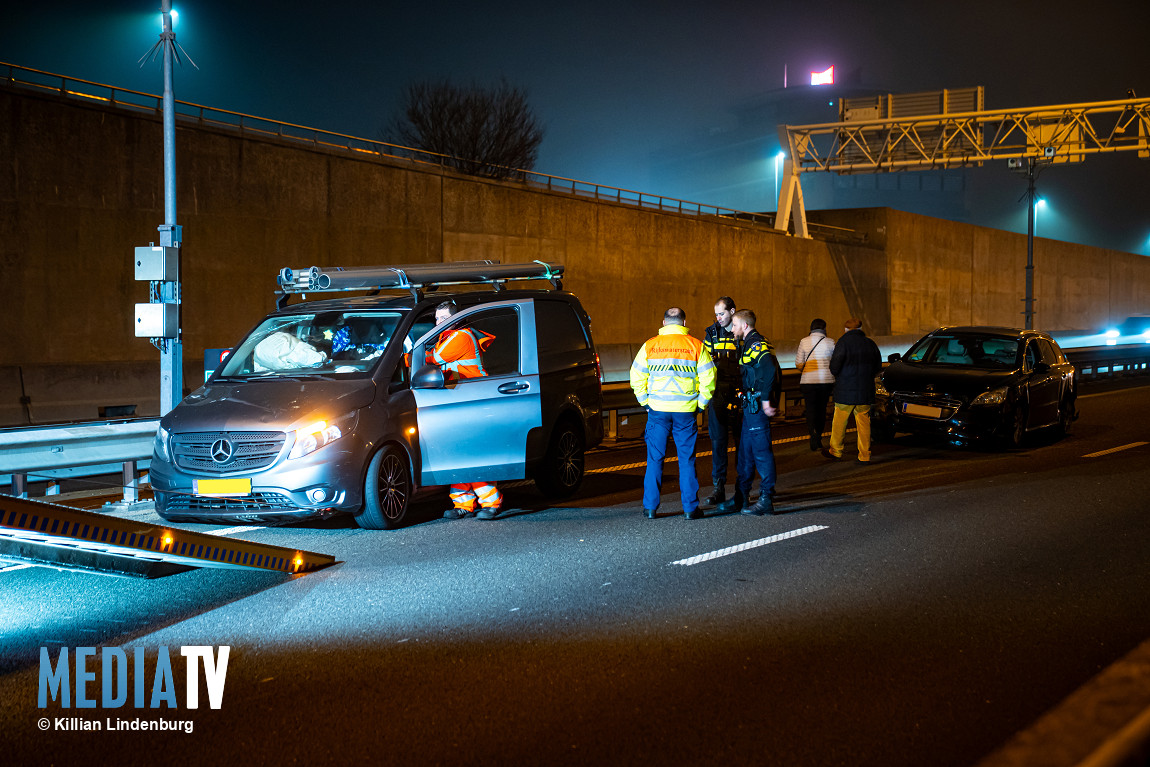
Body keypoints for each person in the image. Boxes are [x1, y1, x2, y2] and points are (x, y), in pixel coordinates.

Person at [630, 307, 716, 520]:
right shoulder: (696, 345)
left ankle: (650, 508)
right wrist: (701, 404)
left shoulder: (650, 345)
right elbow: (709, 378)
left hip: (657, 410)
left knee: (655, 459)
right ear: (684, 323)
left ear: (664, 322)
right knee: (686, 459)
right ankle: (690, 509)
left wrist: (645, 402)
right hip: (685, 411)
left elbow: (636, 376)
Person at [431, 300, 504, 520]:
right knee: (458, 453)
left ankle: (491, 503)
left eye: (443, 318)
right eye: (436, 319)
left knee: (473, 454)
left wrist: (402, 357)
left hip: (473, 399)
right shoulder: (447, 337)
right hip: (460, 400)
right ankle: (463, 504)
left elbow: (432, 359)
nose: (438, 322)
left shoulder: (460, 337)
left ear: (456, 318)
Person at [717, 310, 781, 515]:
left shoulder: (757, 344)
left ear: (744, 326)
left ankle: (766, 499)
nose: (732, 329)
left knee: (761, 453)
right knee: (745, 453)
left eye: (734, 325)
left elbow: (770, 370)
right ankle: (741, 496)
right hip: (749, 407)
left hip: (756, 407)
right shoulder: (750, 343)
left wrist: (765, 401)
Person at [701, 297, 742, 506]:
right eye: (716, 314)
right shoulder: (711, 332)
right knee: (718, 442)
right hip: (717, 393)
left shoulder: (741, 330)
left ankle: (741, 489)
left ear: (732, 311)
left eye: (722, 314)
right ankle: (718, 488)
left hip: (738, 391)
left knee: (741, 442)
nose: (718, 318)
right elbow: (706, 361)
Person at [826, 318, 883, 462]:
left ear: (846, 330)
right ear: (860, 329)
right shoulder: (870, 344)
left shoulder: (842, 343)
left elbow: (834, 367)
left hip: (845, 391)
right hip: (865, 391)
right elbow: (877, 367)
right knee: (864, 423)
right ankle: (864, 455)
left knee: (839, 421)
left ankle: (836, 450)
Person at [795, 318, 836, 451]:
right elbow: (835, 363)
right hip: (826, 382)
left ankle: (812, 434)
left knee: (811, 409)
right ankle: (818, 435)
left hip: (808, 382)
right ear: (824, 328)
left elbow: (799, 364)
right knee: (822, 409)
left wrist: (807, 369)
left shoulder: (803, 341)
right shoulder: (831, 342)